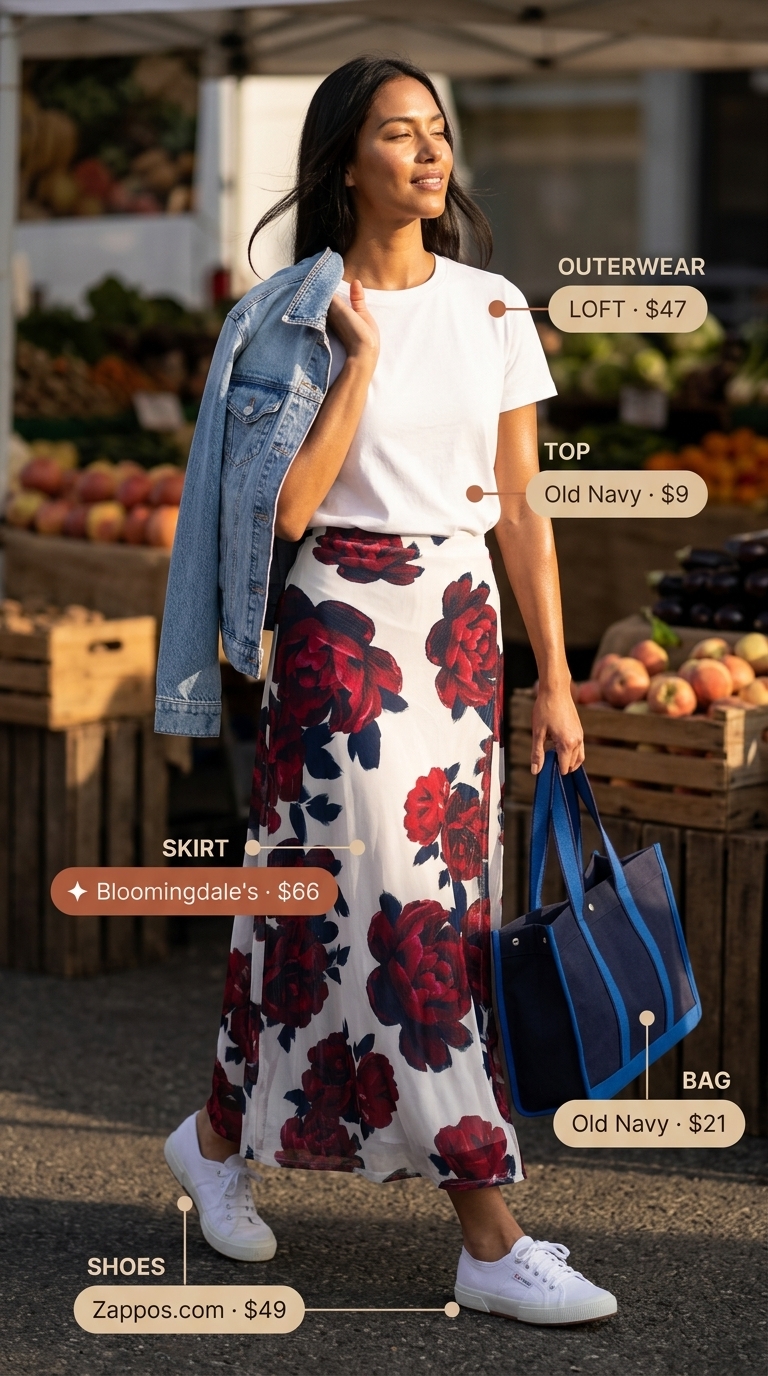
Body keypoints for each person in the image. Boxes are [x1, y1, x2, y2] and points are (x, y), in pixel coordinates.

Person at [159, 55, 616, 1326]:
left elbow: (526, 507)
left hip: (463, 630)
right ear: (344, 161)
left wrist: (555, 680)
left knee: (366, 919)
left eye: (438, 131)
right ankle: (487, 1227)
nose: (428, 152)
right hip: (338, 634)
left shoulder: (494, 308)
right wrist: (353, 361)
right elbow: (290, 512)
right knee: (402, 922)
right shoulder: (290, 313)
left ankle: (213, 1140)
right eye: (397, 133)